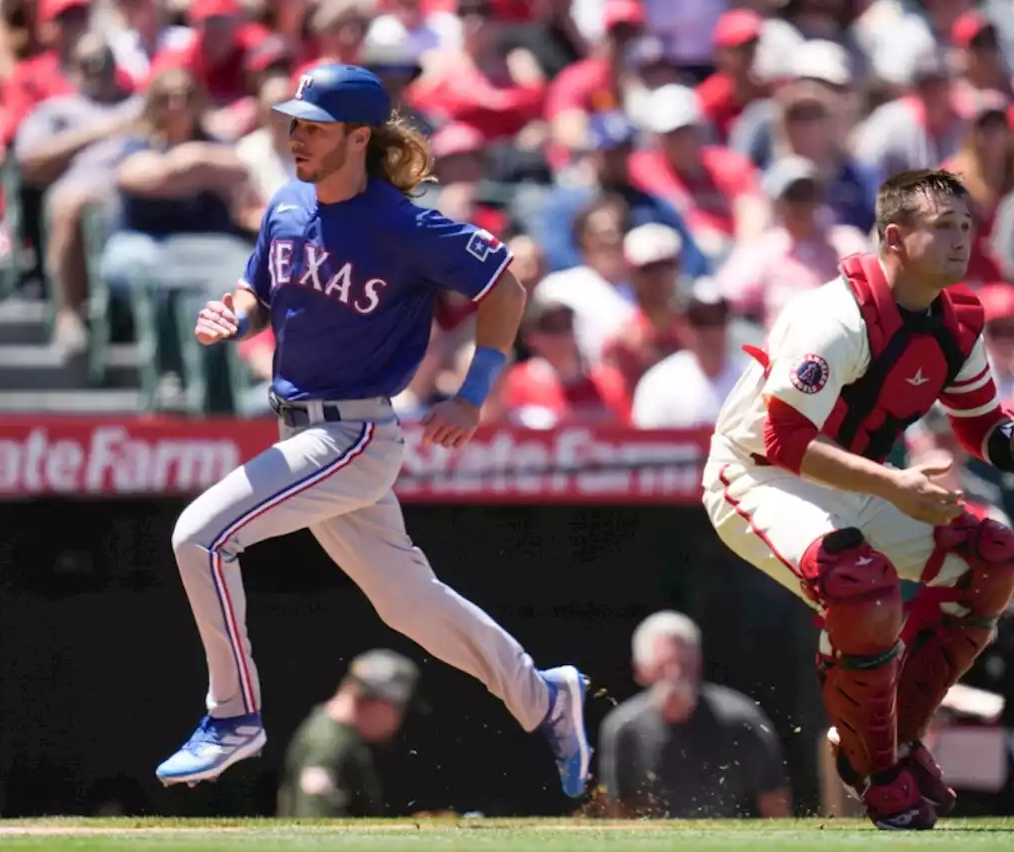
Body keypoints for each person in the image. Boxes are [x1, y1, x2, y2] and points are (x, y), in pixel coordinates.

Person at [154, 65, 591, 800]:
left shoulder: (401, 223)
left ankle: (232, 716)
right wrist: (236, 313)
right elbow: (258, 288)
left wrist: (474, 392)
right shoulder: (287, 204)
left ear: (360, 137)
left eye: (315, 128)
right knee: (407, 602)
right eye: (295, 123)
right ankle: (543, 697)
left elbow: (503, 286)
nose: (297, 138)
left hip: (351, 436)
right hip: (304, 430)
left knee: (199, 536)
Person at [700, 170, 1014, 830]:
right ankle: (879, 774)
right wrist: (895, 486)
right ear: (894, 237)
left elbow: (980, 424)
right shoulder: (834, 317)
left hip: (861, 479)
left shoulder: (957, 320)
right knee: (861, 584)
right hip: (759, 474)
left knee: (989, 553)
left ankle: (890, 748)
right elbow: (787, 440)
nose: (960, 240)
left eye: (966, 226)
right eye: (942, 227)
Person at [597, 611, 791, 819]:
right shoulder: (623, 728)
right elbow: (618, 809)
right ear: (641, 670)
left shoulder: (742, 721)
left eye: (684, 664)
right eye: (663, 666)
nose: (674, 675)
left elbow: (774, 800)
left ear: (698, 664)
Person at [278, 649, 419, 817]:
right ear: (380, 703)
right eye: (399, 708)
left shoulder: (338, 735)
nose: (398, 719)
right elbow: (314, 826)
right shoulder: (329, 742)